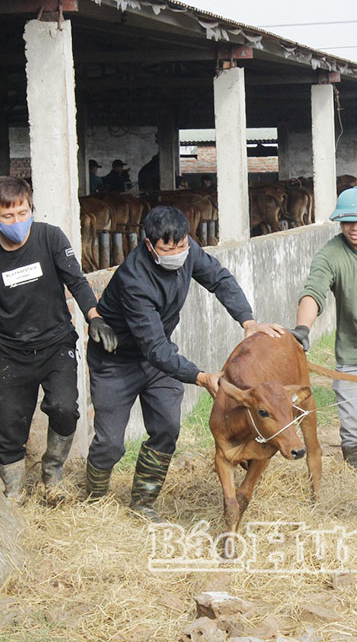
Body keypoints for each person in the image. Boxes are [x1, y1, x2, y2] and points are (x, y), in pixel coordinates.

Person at [85, 205, 284, 521]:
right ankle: (93, 501)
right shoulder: (134, 280)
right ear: (150, 246)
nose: (178, 252)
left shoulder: (188, 250)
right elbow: (154, 348)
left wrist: (248, 320)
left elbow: (219, 278)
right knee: (110, 442)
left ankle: (143, 503)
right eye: (168, 248)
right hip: (116, 362)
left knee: (166, 427)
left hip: (158, 360)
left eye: (181, 245)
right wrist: (200, 376)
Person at [0, 176, 117, 502]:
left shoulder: (50, 238)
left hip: (56, 344)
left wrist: (95, 318)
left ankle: (52, 474)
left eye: (23, 212)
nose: (18, 221)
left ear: (31, 208)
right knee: (8, 426)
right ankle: (14, 492)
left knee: (64, 409)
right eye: (8, 216)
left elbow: (77, 282)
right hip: (11, 350)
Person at [291, 186, 357, 490]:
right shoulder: (331, 253)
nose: (355, 227)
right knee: (352, 429)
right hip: (355, 352)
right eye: (347, 221)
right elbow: (314, 291)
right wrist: (302, 330)